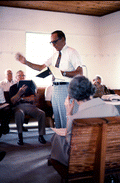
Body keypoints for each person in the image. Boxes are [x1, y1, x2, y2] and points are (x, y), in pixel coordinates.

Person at [15, 30, 83, 128]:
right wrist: (26, 62)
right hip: (55, 89)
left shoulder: (72, 52)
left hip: (67, 88)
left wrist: (62, 73)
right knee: (58, 120)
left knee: (67, 118)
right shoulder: (55, 55)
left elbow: (79, 73)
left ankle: (69, 141)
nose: (53, 45)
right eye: (51, 42)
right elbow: (41, 67)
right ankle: (61, 141)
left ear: (63, 39)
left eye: (55, 41)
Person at [49, 75, 119, 166]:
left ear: (73, 96)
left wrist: (68, 114)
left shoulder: (75, 119)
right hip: (110, 157)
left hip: (84, 162)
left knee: (56, 137)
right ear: (91, 91)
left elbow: (70, 144)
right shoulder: (112, 109)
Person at [9, 70, 46, 145]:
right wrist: (19, 93)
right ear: (16, 78)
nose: (22, 77)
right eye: (20, 76)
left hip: (30, 106)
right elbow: (13, 101)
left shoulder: (28, 86)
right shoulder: (13, 87)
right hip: (18, 106)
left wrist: (21, 98)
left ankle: (41, 136)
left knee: (42, 113)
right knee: (19, 113)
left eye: (23, 75)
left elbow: (33, 98)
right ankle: (20, 136)